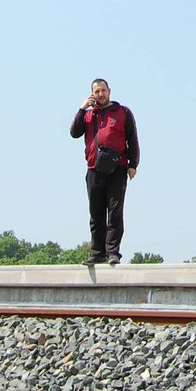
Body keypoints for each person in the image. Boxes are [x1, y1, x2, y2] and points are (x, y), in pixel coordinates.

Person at [69, 78, 140, 265]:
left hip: (118, 168)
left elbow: (132, 139)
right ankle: (97, 252)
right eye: (97, 91)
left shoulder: (123, 112)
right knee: (96, 213)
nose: (100, 94)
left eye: (103, 90)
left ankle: (113, 252)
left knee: (115, 212)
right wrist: (82, 109)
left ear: (109, 91)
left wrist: (134, 164)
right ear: (92, 93)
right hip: (94, 168)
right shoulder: (88, 115)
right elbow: (75, 133)